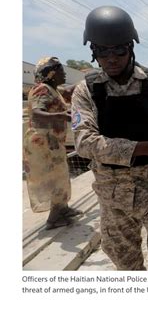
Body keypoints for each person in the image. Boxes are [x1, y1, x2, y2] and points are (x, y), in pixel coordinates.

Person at [71, 6, 148, 270]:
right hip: (113, 197)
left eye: (118, 50)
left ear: (130, 47)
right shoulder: (87, 91)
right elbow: (85, 142)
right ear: (93, 52)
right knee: (127, 267)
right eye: (102, 51)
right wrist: (147, 147)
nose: (111, 58)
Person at [23, 57, 82, 230]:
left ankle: (63, 209)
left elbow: (69, 90)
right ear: (51, 73)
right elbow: (37, 113)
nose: (64, 74)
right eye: (61, 71)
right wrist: (63, 116)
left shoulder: (53, 89)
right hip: (43, 143)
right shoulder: (42, 89)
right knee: (54, 178)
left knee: (62, 175)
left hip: (53, 142)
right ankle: (53, 219)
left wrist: (86, 81)